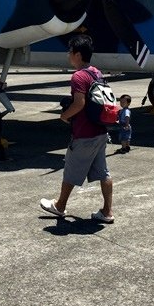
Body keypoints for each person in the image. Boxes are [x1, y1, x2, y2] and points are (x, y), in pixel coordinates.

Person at [40, 34, 114, 224]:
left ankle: (60, 206)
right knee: (103, 173)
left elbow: (79, 103)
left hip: (84, 133)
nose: (68, 55)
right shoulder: (96, 72)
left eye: (70, 52)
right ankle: (107, 212)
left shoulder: (78, 76)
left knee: (71, 169)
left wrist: (64, 116)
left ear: (78, 55)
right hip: (100, 131)